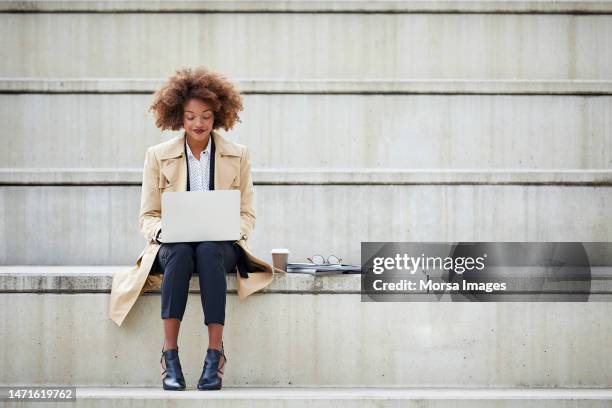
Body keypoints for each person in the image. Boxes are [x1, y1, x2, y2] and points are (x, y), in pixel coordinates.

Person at [107, 66, 277, 391]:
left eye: (206, 116)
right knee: (182, 251)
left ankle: (215, 354)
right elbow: (147, 216)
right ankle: (169, 354)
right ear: (178, 118)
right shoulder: (157, 156)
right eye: (190, 117)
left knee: (209, 249)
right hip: (173, 245)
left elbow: (247, 214)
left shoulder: (237, 155)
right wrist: (163, 231)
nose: (198, 123)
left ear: (218, 116)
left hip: (220, 246)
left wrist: (231, 228)